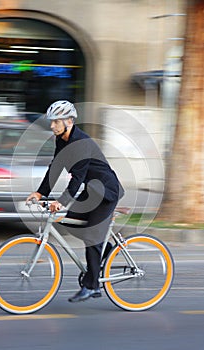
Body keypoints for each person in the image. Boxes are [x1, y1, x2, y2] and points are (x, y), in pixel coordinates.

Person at [26, 100, 124, 302]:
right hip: (91, 190)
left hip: (105, 192)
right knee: (70, 219)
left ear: (69, 121)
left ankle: (92, 285)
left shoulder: (81, 143)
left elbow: (77, 177)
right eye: (51, 122)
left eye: (56, 122)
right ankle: (104, 253)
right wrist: (40, 193)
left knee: (92, 237)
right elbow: (56, 167)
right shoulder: (61, 139)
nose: (52, 125)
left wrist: (61, 201)